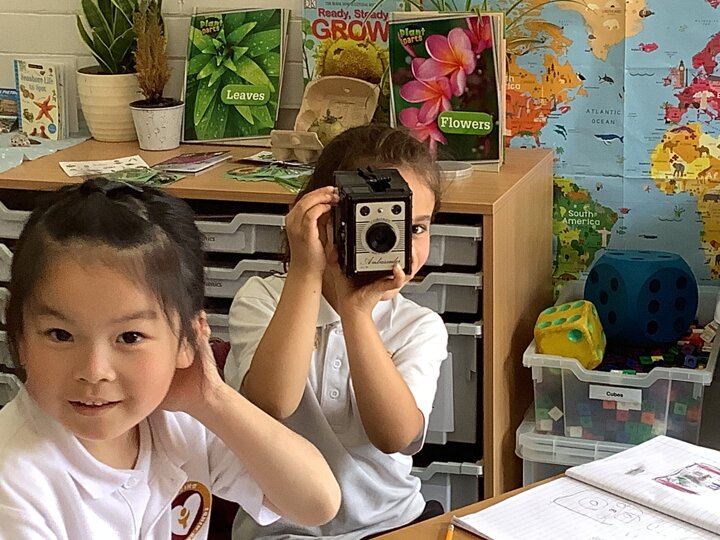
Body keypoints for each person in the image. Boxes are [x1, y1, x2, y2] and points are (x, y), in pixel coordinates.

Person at [0, 178, 341, 539]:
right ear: (19, 335)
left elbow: (316, 503)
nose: (94, 371)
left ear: (187, 340)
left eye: (129, 337)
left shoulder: (176, 418)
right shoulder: (15, 484)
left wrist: (213, 399)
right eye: (60, 335)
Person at [225, 124, 449, 539]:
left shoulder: (418, 326)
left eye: (416, 227)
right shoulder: (262, 299)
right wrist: (306, 267)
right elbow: (273, 405)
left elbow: (395, 437)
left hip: (390, 524)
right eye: (375, 221)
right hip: (281, 530)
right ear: (326, 221)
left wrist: (356, 312)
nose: (393, 242)